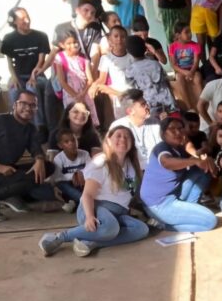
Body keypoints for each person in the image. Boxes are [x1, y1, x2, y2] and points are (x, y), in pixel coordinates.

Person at [39, 125, 147, 257]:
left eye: (127, 136)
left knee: (141, 229)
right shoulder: (101, 161)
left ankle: (92, 242)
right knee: (110, 228)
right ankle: (59, 237)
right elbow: (87, 195)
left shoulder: (133, 163)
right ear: (108, 140)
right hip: (95, 207)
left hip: (119, 213)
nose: (123, 139)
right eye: (118, 135)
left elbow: (132, 191)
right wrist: (90, 216)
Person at [0, 90, 56, 221]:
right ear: (15, 105)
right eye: (24, 103)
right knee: (30, 178)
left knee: (47, 168)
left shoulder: (30, 128)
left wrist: (39, 160)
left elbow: (35, 148)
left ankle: (8, 195)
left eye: (32, 105)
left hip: (8, 172)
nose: (28, 108)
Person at [139, 114, 217, 232]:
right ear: (163, 134)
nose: (177, 132)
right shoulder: (161, 147)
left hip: (173, 194)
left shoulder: (179, 148)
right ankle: (162, 225)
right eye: (172, 129)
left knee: (202, 171)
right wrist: (195, 160)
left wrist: (206, 160)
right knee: (210, 221)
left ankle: (190, 208)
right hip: (158, 203)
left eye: (180, 128)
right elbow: (167, 162)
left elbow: (188, 145)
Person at [0, 8, 51, 136]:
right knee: (13, 90)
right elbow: (9, 61)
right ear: (14, 21)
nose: (27, 21)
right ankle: (17, 124)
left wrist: (33, 75)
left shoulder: (41, 36)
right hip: (19, 75)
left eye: (27, 17)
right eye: (22, 19)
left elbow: (41, 61)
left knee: (31, 88)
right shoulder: (9, 39)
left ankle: (39, 126)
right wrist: (13, 77)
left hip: (37, 74)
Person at [54, 29, 97, 127]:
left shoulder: (83, 57)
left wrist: (82, 93)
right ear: (61, 45)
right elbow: (62, 80)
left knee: (87, 115)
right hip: (70, 93)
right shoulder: (59, 58)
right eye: (68, 43)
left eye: (74, 42)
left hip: (85, 93)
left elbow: (90, 79)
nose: (72, 45)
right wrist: (75, 95)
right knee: (74, 115)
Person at [90, 25, 133, 123]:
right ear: (109, 39)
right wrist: (94, 85)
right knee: (124, 122)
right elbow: (102, 79)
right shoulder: (106, 59)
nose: (119, 39)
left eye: (123, 36)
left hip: (133, 95)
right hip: (118, 97)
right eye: (116, 36)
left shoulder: (132, 57)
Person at [125, 35, 176, 115]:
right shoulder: (155, 64)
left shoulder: (130, 71)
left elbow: (134, 92)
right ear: (145, 48)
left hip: (149, 108)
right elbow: (166, 83)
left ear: (128, 51)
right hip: (167, 103)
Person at [109, 89, 161, 167]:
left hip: (157, 168)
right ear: (130, 111)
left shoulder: (156, 123)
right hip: (133, 171)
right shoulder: (118, 127)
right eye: (143, 105)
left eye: (146, 103)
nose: (147, 106)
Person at [47, 128, 90, 210]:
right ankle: (84, 201)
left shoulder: (85, 154)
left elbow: (92, 170)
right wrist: (73, 175)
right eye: (66, 142)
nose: (71, 143)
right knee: (62, 185)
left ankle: (77, 202)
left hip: (82, 183)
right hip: (68, 186)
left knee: (91, 182)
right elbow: (56, 178)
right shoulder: (59, 158)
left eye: (74, 140)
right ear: (60, 145)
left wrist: (81, 172)